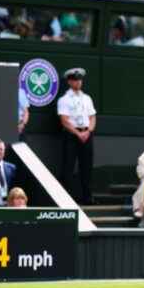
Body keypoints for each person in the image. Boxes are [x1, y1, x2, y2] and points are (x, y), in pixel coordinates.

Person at [57, 67, 96, 204]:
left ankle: (87, 197)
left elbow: (92, 117)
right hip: (72, 135)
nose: (78, 82)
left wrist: (88, 131)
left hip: (86, 134)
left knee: (87, 166)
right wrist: (78, 133)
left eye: (80, 79)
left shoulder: (87, 98)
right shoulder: (64, 99)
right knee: (68, 166)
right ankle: (67, 199)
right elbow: (64, 120)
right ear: (69, 82)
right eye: (75, 80)